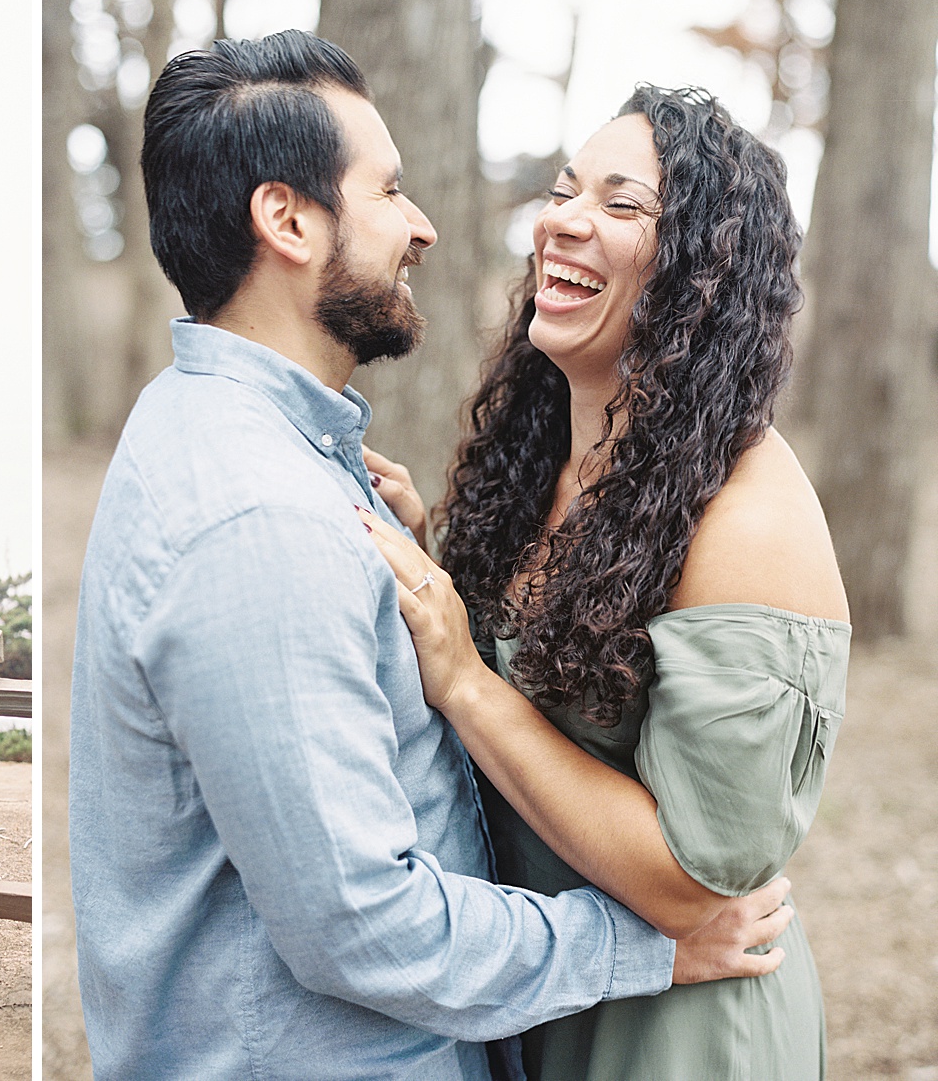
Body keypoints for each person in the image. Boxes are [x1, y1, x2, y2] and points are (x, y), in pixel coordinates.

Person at [69, 31, 794, 1081]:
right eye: (391, 190)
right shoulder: (261, 515)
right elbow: (363, 921)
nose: (424, 226)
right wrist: (646, 942)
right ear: (288, 220)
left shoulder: (245, 443)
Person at [357, 86, 845, 1080]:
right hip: (549, 992)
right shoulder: (545, 463)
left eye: (623, 206)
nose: (563, 220)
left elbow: (689, 882)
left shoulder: (746, 519)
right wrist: (437, 558)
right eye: (564, 188)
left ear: (703, 274)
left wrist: (465, 680)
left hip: (680, 1035)